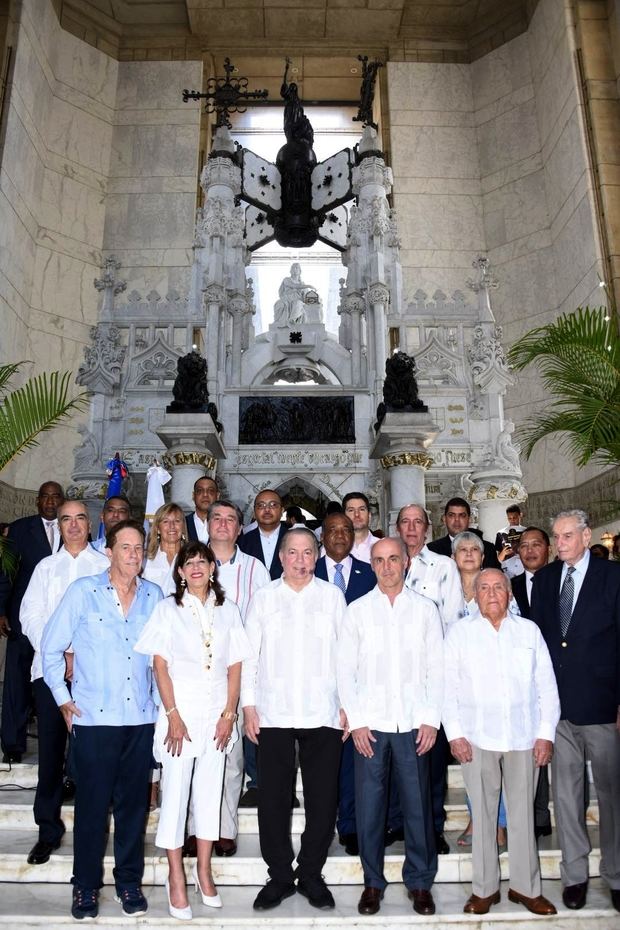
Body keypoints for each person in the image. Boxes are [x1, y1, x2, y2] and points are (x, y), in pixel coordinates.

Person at [41, 520, 162, 920]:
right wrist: (62, 699)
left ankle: (129, 884)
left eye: (139, 548)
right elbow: (51, 647)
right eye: (125, 547)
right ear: (108, 552)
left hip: (139, 719)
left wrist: (164, 710)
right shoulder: (83, 592)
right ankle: (85, 888)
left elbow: (162, 661)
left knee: (132, 809)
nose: (133, 555)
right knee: (92, 809)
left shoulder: (154, 596)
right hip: (94, 720)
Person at [134, 541, 252, 920]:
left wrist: (229, 713)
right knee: (176, 797)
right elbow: (159, 665)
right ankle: (175, 878)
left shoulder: (228, 609)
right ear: (181, 572)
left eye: (203, 560)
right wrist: (172, 714)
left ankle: (203, 870)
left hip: (217, 717)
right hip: (179, 719)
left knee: (208, 795)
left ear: (212, 568)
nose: (197, 567)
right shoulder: (168, 609)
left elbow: (235, 665)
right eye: (190, 562)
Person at [241, 526, 346, 911]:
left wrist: (347, 704)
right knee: (272, 800)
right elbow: (250, 655)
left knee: (322, 799)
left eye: (307, 553)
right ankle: (280, 876)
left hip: (323, 710)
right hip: (274, 711)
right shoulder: (264, 598)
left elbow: (346, 655)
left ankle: (312, 873)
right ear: (281, 557)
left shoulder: (332, 597)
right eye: (293, 553)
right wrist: (249, 706)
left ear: (316, 557)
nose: (300, 560)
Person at [338, 536, 443, 917]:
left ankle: (419, 882)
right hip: (372, 727)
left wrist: (431, 719)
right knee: (370, 810)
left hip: (415, 725)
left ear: (406, 564)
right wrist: (359, 720)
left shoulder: (425, 610)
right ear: (372, 564)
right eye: (379, 560)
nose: (386, 567)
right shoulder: (357, 611)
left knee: (417, 808)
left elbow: (437, 669)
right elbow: (344, 671)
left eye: (393, 559)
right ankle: (372, 882)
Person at [444, 568, 559, 917]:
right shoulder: (460, 634)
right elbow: (447, 688)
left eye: (498, 587)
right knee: (483, 816)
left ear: (509, 594)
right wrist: (455, 734)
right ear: (475, 595)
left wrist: (545, 734)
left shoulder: (529, 632)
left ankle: (526, 889)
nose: (492, 593)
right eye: (484, 588)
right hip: (476, 739)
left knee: (522, 815)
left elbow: (547, 686)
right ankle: (485, 890)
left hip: (524, 737)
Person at [531, 509, 620, 913]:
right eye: (557, 536)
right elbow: (543, 644)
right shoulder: (546, 580)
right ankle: (575, 876)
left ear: (586, 537)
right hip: (558, 709)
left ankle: (616, 875)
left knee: (612, 795)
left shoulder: (613, 577)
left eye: (567, 536)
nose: (560, 542)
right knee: (566, 798)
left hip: (603, 706)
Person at [21, 501, 109, 866]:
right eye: (65, 520)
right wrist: (61, 653)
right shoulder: (46, 568)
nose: (72, 526)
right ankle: (48, 829)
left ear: (89, 524)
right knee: (51, 755)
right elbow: (30, 616)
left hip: (92, 675)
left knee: (91, 756)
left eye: (79, 519)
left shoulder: (104, 566)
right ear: (58, 527)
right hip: (50, 673)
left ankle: (93, 831)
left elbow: (109, 618)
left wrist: (79, 654)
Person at [391, 504, 463, 855]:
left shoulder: (443, 566)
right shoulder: (386, 560)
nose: (411, 528)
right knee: (394, 758)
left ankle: (432, 827)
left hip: (428, 678)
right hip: (390, 680)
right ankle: (399, 822)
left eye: (418, 522)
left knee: (430, 761)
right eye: (405, 522)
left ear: (427, 527)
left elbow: (451, 624)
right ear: (396, 526)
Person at [206, 500, 270, 835]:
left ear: (239, 528)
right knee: (199, 755)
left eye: (230, 519)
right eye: (216, 518)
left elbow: (268, 619)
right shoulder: (190, 562)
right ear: (207, 524)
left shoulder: (254, 568)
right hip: (199, 674)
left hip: (241, 672)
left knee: (232, 753)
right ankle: (195, 829)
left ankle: (225, 829)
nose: (222, 524)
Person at [314, 512, 376, 855]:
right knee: (323, 760)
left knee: (354, 758)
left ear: (354, 536)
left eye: (346, 530)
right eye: (332, 529)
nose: (339, 535)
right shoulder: (307, 571)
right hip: (318, 679)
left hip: (360, 681)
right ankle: (320, 828)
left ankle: (350, 825)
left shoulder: (370, 574)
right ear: (322, 535)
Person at [0, 480, 64, 763]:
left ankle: (61, 748)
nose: (50, 502)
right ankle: (12, 746)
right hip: (23, 620)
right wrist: (1, 610)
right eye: (45, 497)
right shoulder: (19, 529)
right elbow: (6, 575)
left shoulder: (72, 528)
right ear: (38, 501)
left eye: (55, 497)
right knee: (16, 683)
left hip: (61, 624)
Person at [511, 526, 553, 839]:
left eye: (535, 544)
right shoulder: (509, 586)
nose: (529, 550)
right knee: (527, 750)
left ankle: (545, 813)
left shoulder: (560, 583)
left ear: (547, 548)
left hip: (554, 677)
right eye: (523, 545)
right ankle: (531, 815)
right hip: (519, 681)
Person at [428, 497, 500, 570]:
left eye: (462, 515)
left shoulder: (487, 549)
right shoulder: (431, 550)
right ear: (444, 519)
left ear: (469, 520)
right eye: (451, 515)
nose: (457, 520)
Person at [238, 489, 288, 580]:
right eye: (261, 505)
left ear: (282, 511)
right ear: (254, 512)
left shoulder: (295, 539)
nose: (267, 509)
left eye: (273, 505)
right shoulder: (242, 542)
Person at [143, 503, 188, 596]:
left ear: (183, 527)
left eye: (177, 521)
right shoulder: (145, 559)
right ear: (158, 529)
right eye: (165, 521)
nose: (172, 526)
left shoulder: (193, 558)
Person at [342, 492, 379, 564]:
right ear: (343, 516)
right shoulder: (332, 549)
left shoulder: (382, 547)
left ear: (369, 515)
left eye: (361, 509)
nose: (356, 514)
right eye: (351, 510)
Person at [495, 504, 526, 578]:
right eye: (509, 518)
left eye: (514, 518)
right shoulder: (501, 533)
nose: (512, 520)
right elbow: (498, 559)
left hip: (523, 566)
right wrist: (504, 553)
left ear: (520, 515)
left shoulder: (527, 531)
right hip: (508, 569)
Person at [186, 476, 219, 543]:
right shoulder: (182, 523)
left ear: (217, 496)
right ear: (193, 496)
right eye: (200, 491)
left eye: (211, 491)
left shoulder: (227, 525)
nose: (205, 495)